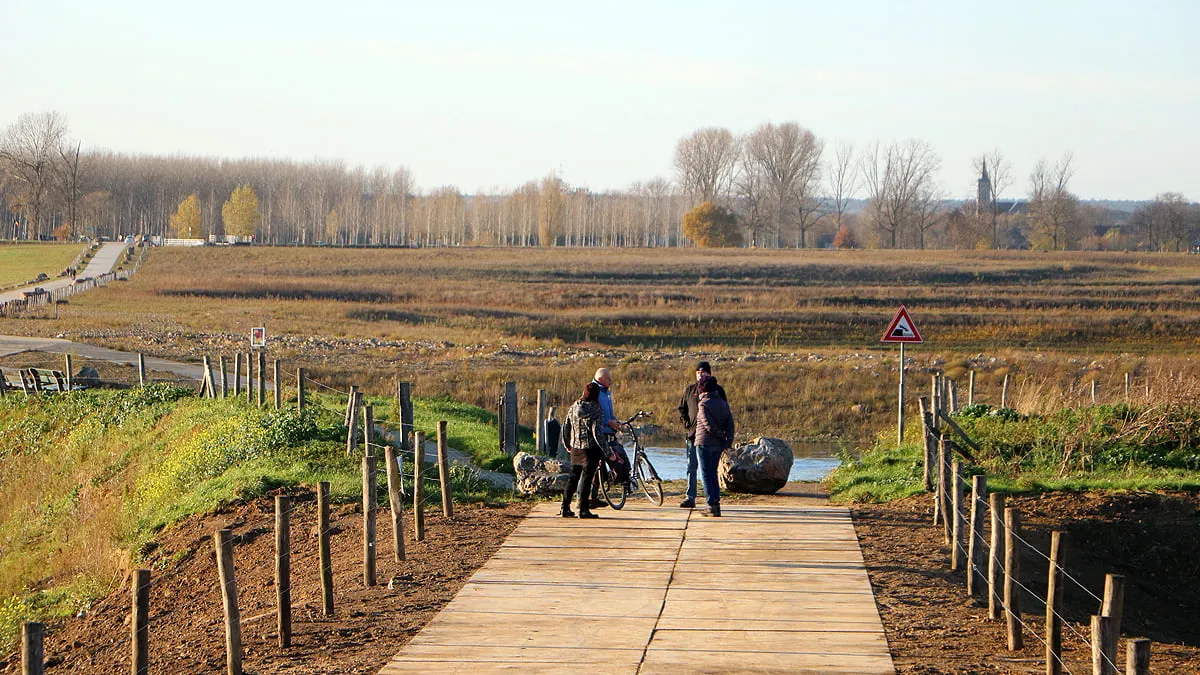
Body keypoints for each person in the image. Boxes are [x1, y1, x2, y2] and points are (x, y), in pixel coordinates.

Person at [676, 361, 727, 509]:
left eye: (703, 372)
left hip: (710, 438)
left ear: (710, 374)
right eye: (698, 372)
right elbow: (682, 409)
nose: (701, 375)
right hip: (693, 435)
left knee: (710, 470)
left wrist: (721, 433)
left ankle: (711, 500)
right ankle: (690, 497)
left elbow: (724, 411)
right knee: (691, 467)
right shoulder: (690, 390)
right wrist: (686, 423)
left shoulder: (718, 391)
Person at [561, 383, 605, 519]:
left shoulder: (574, 406)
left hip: (575, 447)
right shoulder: (595, 409)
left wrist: (567, 442)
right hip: (590, 449)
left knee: (573, 477)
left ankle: (565, 507)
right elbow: (597, 433)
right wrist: (607, 451)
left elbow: (566, 425)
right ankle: (583, 510)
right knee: (587, 478)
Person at [695, 375, 734, 517]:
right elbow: (730, 424)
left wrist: (720, 436)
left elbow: (708, 425)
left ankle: (711, 505)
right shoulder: (723, 403)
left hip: (704, 443)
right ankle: (716, 504)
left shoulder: (703, 404)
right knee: (713, 474)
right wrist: (727, 440)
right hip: (718, 445)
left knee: (706, 474)